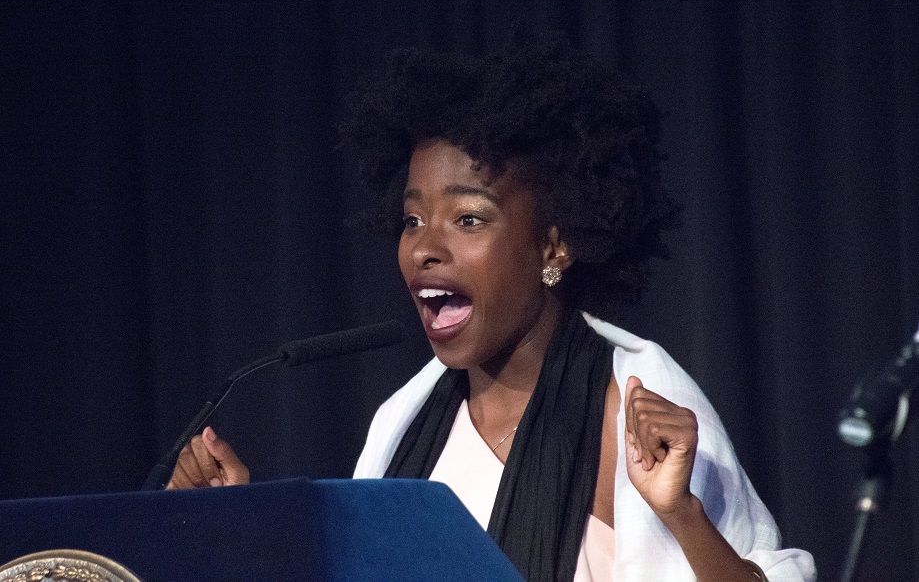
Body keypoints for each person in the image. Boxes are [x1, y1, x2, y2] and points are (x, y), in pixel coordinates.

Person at [168, 34, 816, 581]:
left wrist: (682, 514)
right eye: (413, 219)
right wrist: (235, 529)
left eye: (468, 218)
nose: (425, 247)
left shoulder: (633, 400)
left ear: (553, 246)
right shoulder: (403, 424)